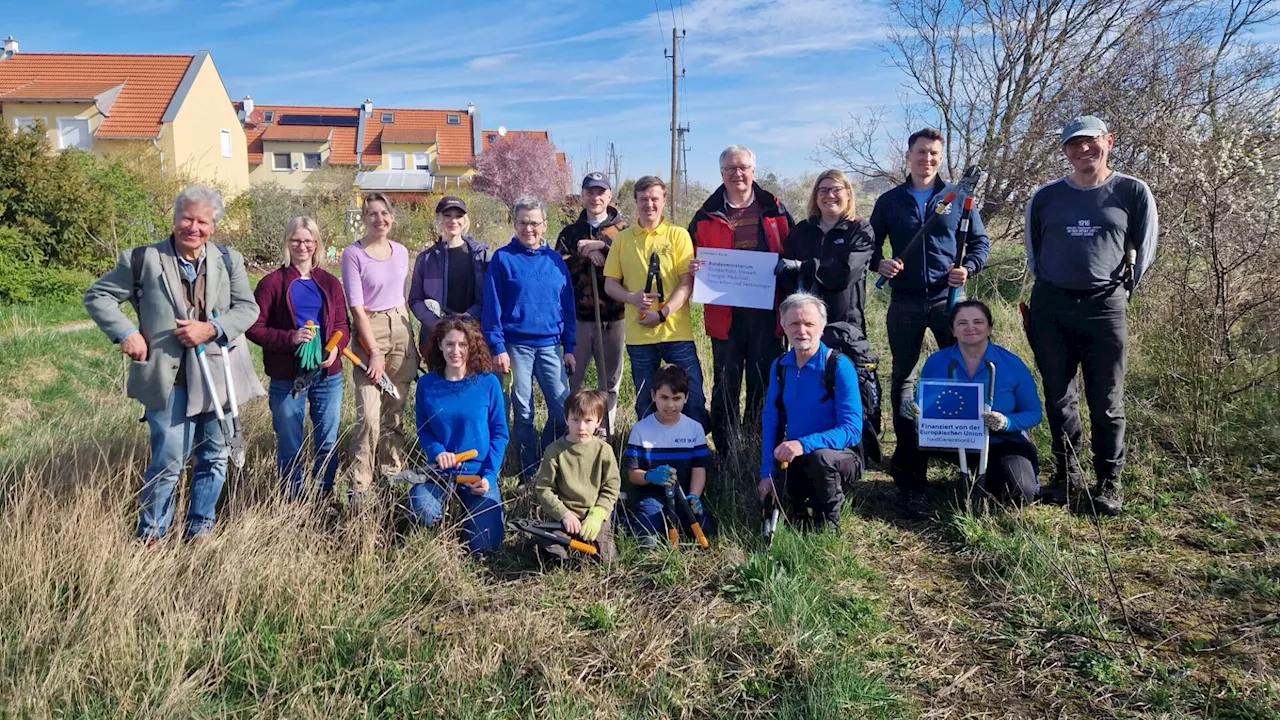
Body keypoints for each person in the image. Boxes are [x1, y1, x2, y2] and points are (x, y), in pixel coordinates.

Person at [84, 185, 260, 542]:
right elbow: (98, 296)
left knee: (215, 456)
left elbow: (248, 309)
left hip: (217, 375)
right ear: (175, 218)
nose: (193, 228)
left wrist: (211, 328)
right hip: (170, 378)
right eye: (186, 218)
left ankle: (201, 528)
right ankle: (151, 535)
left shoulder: (229, 260)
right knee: (169, 461)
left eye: (202, 221)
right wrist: (127, 333)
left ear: (213, 226)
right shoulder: (141, 259)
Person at [1025, 115, 1158, 516]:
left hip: (1105, 308)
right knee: (1058, 397)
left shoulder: (1133, 191)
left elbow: (1145, 248)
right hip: (1052, 307)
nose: (1082, 150)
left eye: (1090, 142)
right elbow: (1035, 251)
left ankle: (1108, 482)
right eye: (1073, 144)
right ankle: (1067, 476)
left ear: (1109, 142)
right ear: (1065, 151)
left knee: (1106, 401)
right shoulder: (1045, 197)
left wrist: (1119, 292)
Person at [872, 128, 991, 494]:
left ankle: (963, 454)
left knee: (959, 374)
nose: (928, 159)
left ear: (941, 157)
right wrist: (881, 264)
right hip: (905, 302)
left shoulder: (959, 197)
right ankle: (908, 460)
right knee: (904, 379)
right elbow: (870, 246)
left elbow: (980, 242)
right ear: (908, 156)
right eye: (922, 152)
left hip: (948, 302)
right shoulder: (889, 201)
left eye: (935, 153)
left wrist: (968, 267)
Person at [688, 145, 794, 458]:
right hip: (725, 315)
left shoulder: (774, 210)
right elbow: (689, 258)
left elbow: (793, 254)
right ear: (721, 174)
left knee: (763, 383)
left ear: (753, 170)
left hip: (768, 313)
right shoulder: (705, 215)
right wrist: (693, 266)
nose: (738, 174)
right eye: (730, 169)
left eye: (743, 167)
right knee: (725, 384)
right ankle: (725, 450)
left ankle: (755, 446)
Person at [776, 169, 882, 461]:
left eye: (837, 189)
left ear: (848, 194)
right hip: (805, 326)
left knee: (848, 386)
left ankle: (857, 452)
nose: (830, 195)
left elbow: (845, 273)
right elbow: (786, 274)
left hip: (844, 323)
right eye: (823, 190)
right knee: (812, 385)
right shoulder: (801, 231)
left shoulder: (860, 229)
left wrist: (804, 265)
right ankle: (810, 444)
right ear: (815, 196)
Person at [898, 300, 1043, 510]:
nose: (970, 328)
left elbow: (1034, 413)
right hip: (951, 436)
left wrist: (1007, 422)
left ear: (990, 328)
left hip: (999, 440)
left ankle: (988, 473)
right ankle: (915, 490)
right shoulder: (936, 362)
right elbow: (926, 404)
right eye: (962, 323)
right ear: (952, 330)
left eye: (978, 322)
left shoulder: (1012, 363)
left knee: (1019, 495)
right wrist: (914, 409)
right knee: (908, 429)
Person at [246, 217, 351, 500]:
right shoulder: (272, 283)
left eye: (308, 241)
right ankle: (293, 501)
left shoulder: (329, 282)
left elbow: (343, 325)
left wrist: (335, 350)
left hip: (327, 377)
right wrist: (290, 338)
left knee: (327, 441)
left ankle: (324, 498)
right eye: (296, 241)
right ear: (287, 243)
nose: (302, 246)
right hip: (287, 376)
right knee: (290, 443)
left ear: (316, 244)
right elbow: (255, 328)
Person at [603, 176, 709, 429]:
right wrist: (631, 297)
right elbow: (610, 284)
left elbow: (686, 284)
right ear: (635, 202)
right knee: (646, 402)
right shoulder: (622, 239)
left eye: (654, 199)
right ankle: (650, 456)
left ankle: (696, 455)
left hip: (676, 333)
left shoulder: (678, 235)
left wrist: (662, 315)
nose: (649, 204)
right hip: (640, 337)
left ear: (663, 201)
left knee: (692, 397)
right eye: (643, 199)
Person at [482, 195, 577, 480]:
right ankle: (527, 469)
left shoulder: (556, 261)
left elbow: (568, 308)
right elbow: (493, 307)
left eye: (534, 223)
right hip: (516, 346)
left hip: (550, 345)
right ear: (514, 223)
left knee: (562, 409)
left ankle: (547, 456)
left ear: (545, 225)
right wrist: (498, 347)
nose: (529, 229)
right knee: (523, 412)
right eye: (522, 222)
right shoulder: (503, 259)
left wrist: (569, 346)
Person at [759, 293, 863, 531]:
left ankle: (829, 525)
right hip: (798, 455)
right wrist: (766, 473)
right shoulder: (780, 366)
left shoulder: (839, 366)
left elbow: (852, 430)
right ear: (783, 326)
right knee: (785, 509)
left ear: (822, 326)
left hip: (840, 458)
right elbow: (771, 420)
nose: (802, 330)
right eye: (794, 323)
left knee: (820, 458)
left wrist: (803, 444)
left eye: (809, 324)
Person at [341, 192, 419, 510]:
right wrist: (373, 350)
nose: (379, 219)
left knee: (395, 409)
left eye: (384, 213)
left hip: (400, 326)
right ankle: (360, 483)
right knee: (369, 416)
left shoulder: (401, 252)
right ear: (364, 217)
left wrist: (409, 336)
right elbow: (356, 307)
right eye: (372, 213)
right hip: (370, 329)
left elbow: (401, 296)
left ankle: (392, 470)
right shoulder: (353, 254)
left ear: (392, 217)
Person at [410, 316, 508, 554]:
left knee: (484, 546)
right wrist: (438, 452)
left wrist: (489, 476)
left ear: (471, 347)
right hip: (439, 473)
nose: (456, 351)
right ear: (440, 345)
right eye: (450, 344)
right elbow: (424, 429)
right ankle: (441, 516)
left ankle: (476, 515)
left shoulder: (488, 383)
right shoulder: (427, 384)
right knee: (422, 510)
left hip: (477, 475)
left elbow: (500, 434)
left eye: (462, 345)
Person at [555, 172, 629, 434]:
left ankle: (605, 436)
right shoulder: (570, 232)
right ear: (583, 195)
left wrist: (603, 247)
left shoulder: (624, 231)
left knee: (608, 383)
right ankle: (572, 434)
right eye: (590, 192)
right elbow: (558, 269)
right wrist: (582, 253)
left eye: (601, 192)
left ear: (609, 195)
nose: (595, 197)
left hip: (614, 316)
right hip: (579, 319)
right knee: (572, 381)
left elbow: (632, 260)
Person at [623, 364, 715, 544]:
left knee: (705, 530)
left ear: (686, 398)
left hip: (685, 496)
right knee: (647, 540)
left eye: (676, 398)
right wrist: (650, 476)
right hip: (652, 497)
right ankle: (629, 522)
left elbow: (699, 469)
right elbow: (633, 474)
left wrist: (695, 495)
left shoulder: (694, 429)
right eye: (664, 397)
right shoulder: (641, 429)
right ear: (653, 395)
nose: (670, 404)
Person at [533, 389, 622, 563]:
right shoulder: (554, 450)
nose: (581, 427)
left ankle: (587, 543)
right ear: (566, 419)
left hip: (594, 516)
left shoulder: (604, 451)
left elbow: (612, 487)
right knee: (554, 555)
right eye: (575, 420)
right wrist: (563, 513)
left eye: (588, 420)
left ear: (598, 421)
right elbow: (544, 488)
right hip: (563, 519)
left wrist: (598, 514)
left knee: (607, 560)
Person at [408, 196, 491, 356]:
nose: (453, 221)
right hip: (437, 337)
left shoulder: (482, 256)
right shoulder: (426, 258)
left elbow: (488, 297)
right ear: (439, 218)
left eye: (458, 216)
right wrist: (437, 324)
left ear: (465, 220)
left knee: (472, 379)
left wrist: (470, 316)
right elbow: (415, 300)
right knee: (440, 380)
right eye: (448, 215)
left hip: (472, 332)